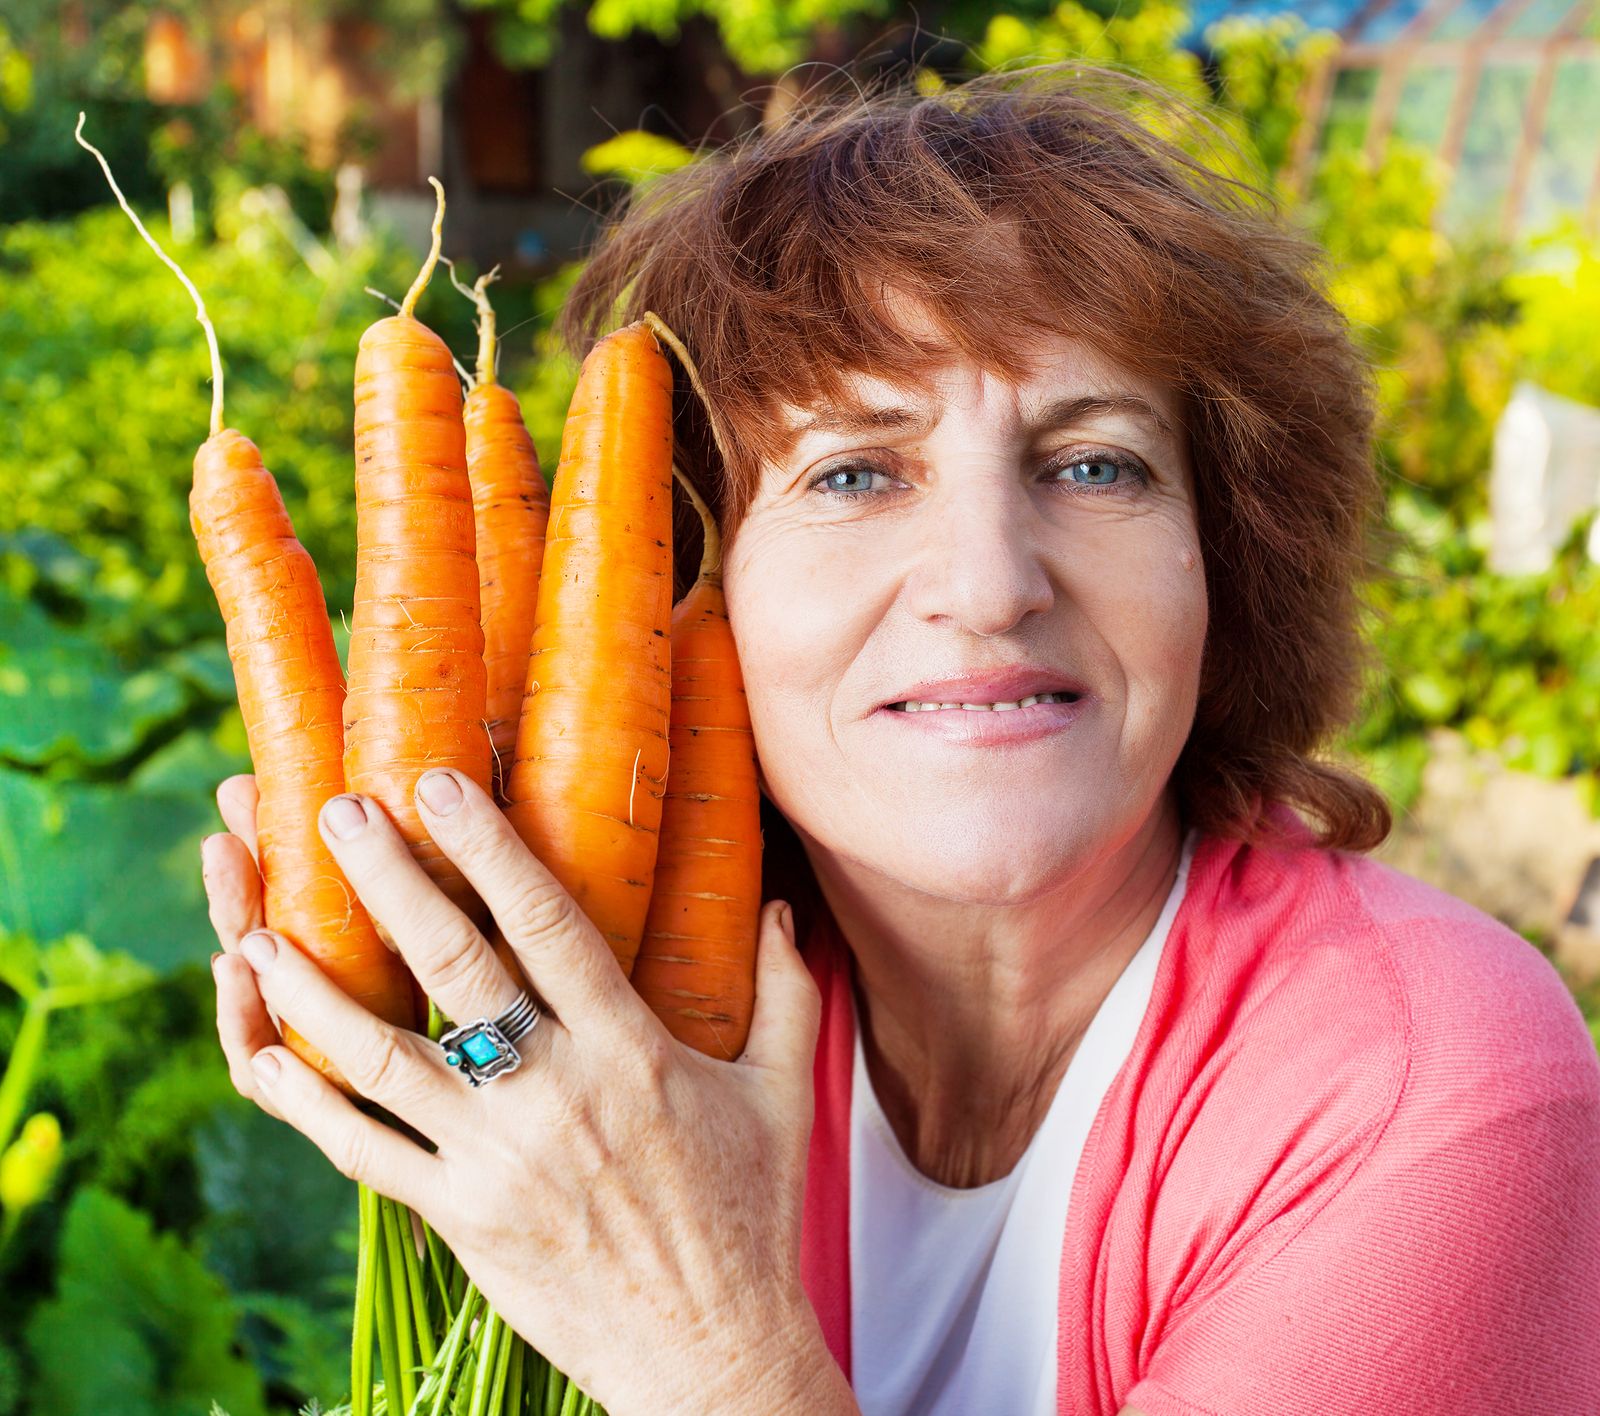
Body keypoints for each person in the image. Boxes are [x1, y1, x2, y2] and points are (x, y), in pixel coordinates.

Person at [202, 66, 1600, 1416]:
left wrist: (709, 1363)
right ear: (682, 584)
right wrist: (409, 1090)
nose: (991, 584)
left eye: (1095, 463)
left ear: (1223, 557)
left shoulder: (1434, 1096)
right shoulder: (617, 1023)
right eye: (855, 472)